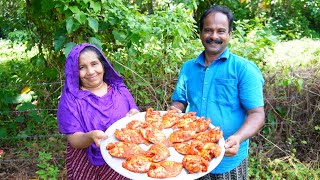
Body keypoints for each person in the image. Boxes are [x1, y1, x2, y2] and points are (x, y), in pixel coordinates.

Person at [169, 5, 265, 180]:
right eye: (208, 30)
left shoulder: (244, 69)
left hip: (228, 159)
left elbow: (257, 114)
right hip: (192, 153)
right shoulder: (188, 67)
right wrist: (173, 113)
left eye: (221, 31)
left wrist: (237, 138)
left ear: (230, 34)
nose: (214, 36)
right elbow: (179, 101)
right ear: (200, 33)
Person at [57, 43, 139, 179]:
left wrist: (134, 116)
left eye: (94, 64)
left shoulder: (119, 90)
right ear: (74, 72)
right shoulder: (71, 99)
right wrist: (89, 137)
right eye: (82, 67)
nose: (90, 71)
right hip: (86, 161)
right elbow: (74, 138)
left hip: (123, 157)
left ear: (103, 65)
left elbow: (134, 113)